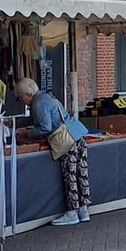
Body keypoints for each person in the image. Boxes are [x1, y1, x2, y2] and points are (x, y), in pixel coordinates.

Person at [15, 78, 91, 226]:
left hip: (67, 140)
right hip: (78, 134)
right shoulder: (47, 97)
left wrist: (27, 133)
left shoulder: (38, 103)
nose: (21, 101)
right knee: (81, 174)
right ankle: (83, 211)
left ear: (28, 94)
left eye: (20, 97)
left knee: (70, 175)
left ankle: (72, 213)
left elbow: (45, 127)